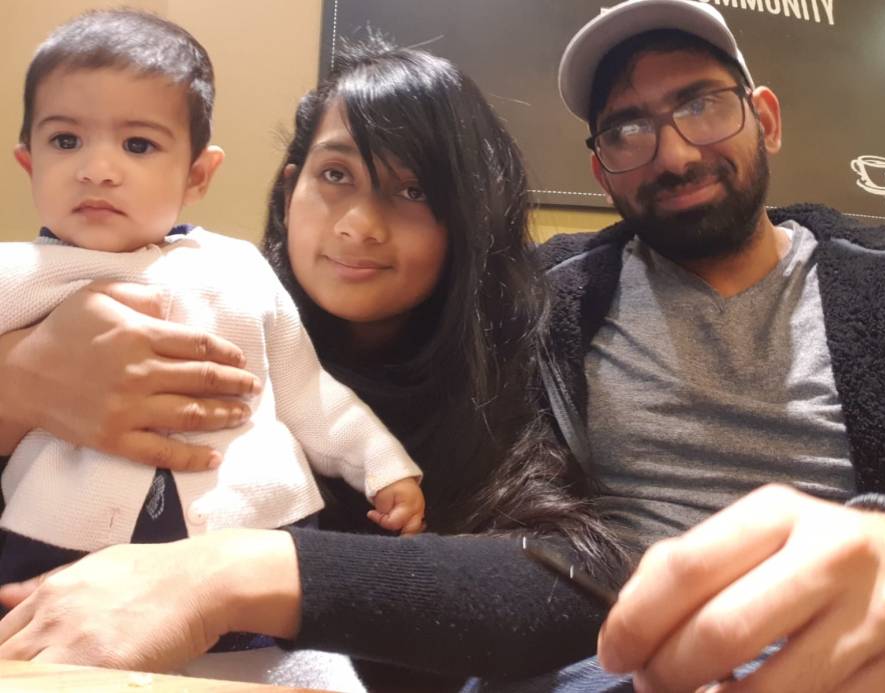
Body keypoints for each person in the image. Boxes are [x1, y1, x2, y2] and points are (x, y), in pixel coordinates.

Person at [0, 34, 627, 690]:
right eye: (335, 175)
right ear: (291, 187)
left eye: (413, 190)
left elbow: (577, 582)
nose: (358, 225)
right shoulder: (174, 302)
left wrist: (228, 577)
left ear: (469, 216)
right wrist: (14, 388)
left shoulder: (522, 353)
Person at [541, 0, 885, 690]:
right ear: (602, 173)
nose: (676, 155)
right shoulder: (548, 297)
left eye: (701, 105)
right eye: (627, 130)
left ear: (765, 120)